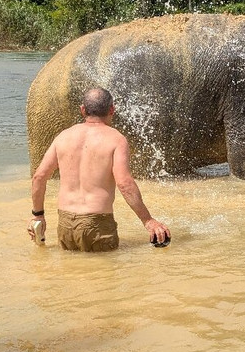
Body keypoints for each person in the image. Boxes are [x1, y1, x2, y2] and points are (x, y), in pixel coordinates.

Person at [29, 87, 171, 251]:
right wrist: (148, 221)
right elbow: (124, 183)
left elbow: (39, 177)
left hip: (65, 224)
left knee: (69, 273)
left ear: (83, 110)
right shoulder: (116, 139)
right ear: (112, 109)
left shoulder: (63, 136)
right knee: (105, 274)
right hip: (97, 223)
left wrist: (37, 215)